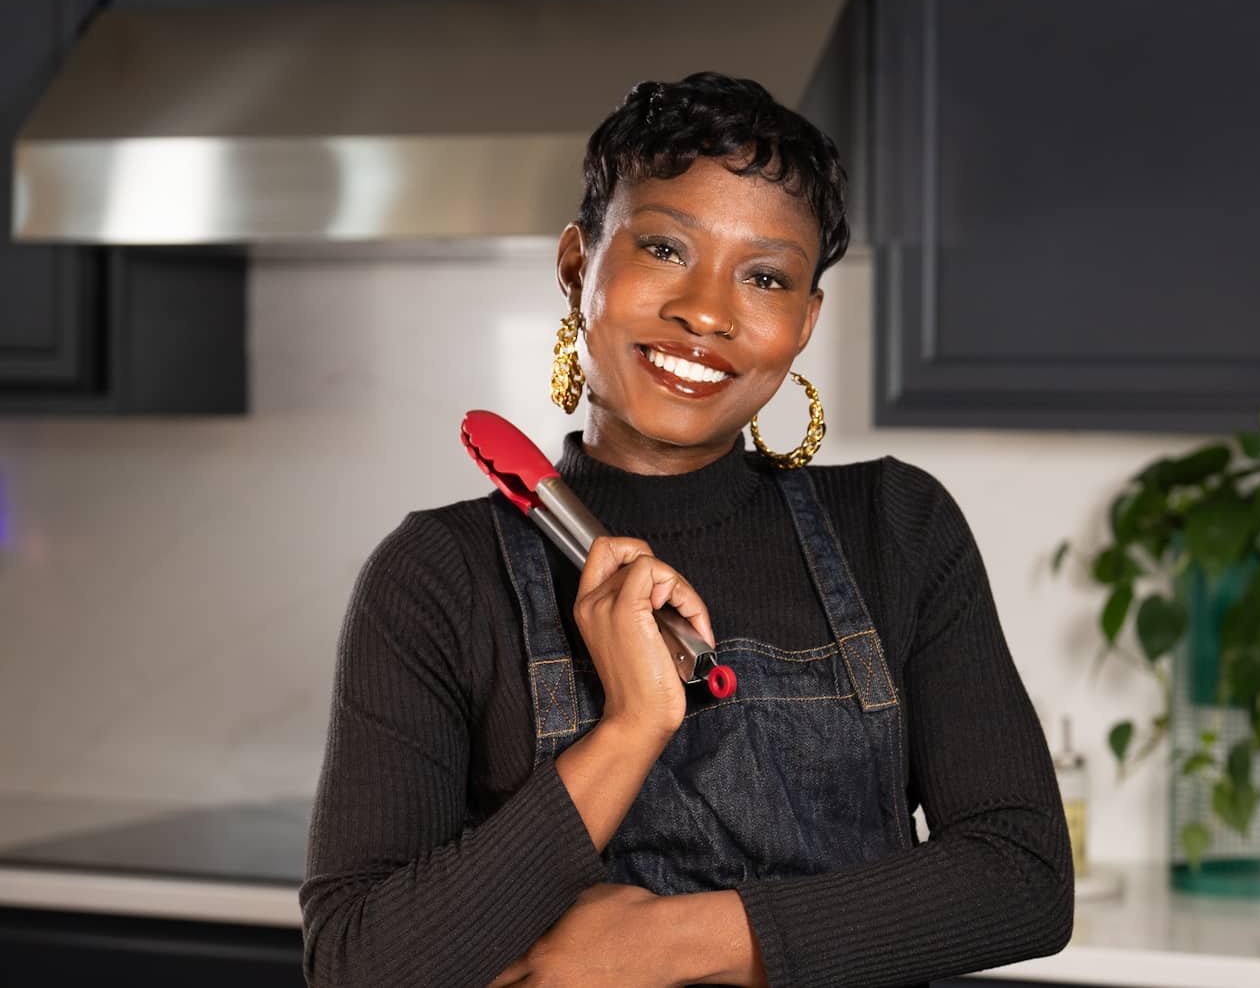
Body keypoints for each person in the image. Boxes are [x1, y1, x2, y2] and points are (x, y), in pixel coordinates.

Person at [300, 71, 1073, 988]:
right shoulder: (440, 574)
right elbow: (362, 966)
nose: (706, 312)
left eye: (765, 276)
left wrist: (666, 943)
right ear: (577, 266)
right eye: (666, 248)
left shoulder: (896, 528)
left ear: (805, 322)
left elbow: (1023, 878)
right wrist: (632, 727)